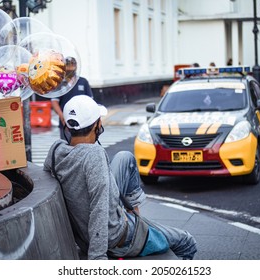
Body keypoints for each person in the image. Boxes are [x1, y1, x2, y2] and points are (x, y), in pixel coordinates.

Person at [43, 95, 197, 260]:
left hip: (96, 219)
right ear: (97, 125)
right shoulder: (94, 154)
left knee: (125, 158)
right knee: (187, 242)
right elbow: (99, 207)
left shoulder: (56, 150)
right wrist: (97, 257)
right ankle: (138, 225)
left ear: (67, 126)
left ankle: (133, 212)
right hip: (118, 236)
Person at [51, 56, 94, 140]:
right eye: (68, 65)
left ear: (76, 66)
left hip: (82, 121)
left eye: (72, 65)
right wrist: (61, 115)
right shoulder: (59, 83)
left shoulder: (83, 81)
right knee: (66, 146)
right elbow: (54, 102)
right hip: (66, 122)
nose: (70, 68)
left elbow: (90, 100)